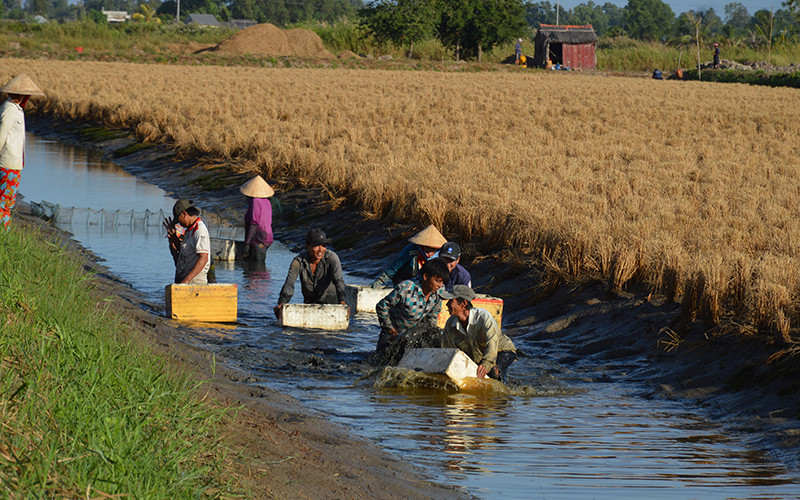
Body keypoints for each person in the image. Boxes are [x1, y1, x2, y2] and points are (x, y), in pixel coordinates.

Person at [374, 258, 450, 364]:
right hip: (392, 334)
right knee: (380, 363)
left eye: (442, 282)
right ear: (425, 277)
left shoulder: (439, 292)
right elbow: (382, 306)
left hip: (412, 337)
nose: (440, 285)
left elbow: (433, 315)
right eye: (437, 281)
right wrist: (390, 330)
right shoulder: (406, 289)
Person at [441, 285, 517, 382]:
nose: (447, 304)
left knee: (493, 372)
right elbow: (447, 350)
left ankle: (503, 388)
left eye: (451, 301)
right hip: (479, 355)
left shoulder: (483, 317)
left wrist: (487, 363)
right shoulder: (450, 324)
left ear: (463, 303)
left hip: (502, 350)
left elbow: (492, 341)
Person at [0, 74, 44, 230]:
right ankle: (4, 232)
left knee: (7, 201)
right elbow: (2, 134)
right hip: (7, 164)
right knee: (4, 203)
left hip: (13, 163)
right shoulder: (10, 109)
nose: (28, 98)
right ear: (21, 95)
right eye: (27, 95)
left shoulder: (17, 109)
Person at [274, 228, 347, 318]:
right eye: (316, 246)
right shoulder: (298, 261)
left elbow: (339, 281)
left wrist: (342, 302)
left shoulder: (332, 258)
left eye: (323, 245)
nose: (320, 250)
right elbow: (289, 283)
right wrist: (282, 303)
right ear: (307, 246)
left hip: (331, 304)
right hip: (309, 305)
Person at [370, 224, 447, 288]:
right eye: (428, 248)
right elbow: (393, 268)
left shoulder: (438, 255)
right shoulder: (410, 251)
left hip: (421, 280)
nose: (430, 252)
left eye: (433, 249)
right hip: (403, 279)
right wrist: (378, 282)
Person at [164, 199, 211, 284]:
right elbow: (184, 251)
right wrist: (173, 236)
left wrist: (187, 280)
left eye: (178, 220)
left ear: (184, 214)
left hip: (195, 282)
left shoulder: (199, 230)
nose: (179, 223)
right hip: (184, 279)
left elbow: (204, 258)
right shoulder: (189, 230)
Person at [239, 175, 274, 263]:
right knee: (255, 265)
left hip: (260, 239)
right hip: (267, 237)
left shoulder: (255, 201)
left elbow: (254, 223)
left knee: (257, 267)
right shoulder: (267, 202)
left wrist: (247, 243)